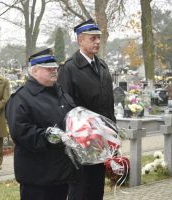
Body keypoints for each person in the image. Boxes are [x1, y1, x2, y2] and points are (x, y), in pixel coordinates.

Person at [5, 48, 79, 200]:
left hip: (61, 172)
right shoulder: (21, 98)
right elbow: (20, 133)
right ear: (35, 71)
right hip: (37, 176)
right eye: (48, 69)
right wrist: (48, 136)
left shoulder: (60, 92)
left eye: (54, 68)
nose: (54, 71)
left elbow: (73, 118)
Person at [57, 19, 116, 200]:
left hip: (101, 140)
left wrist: (112, 135)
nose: (97, 42)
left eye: (98, 38)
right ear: (80, 40)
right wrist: (81, 136)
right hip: (82, 142)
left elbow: (108, 103)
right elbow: (66, 107)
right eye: (93, 38)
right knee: (81, 190)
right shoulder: (69, 68)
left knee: (96, 189)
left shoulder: (103, 67)